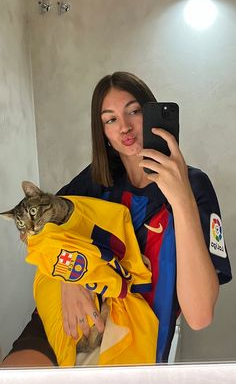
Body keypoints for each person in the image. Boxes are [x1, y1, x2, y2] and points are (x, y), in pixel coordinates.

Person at [1, 71, 232, 367]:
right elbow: (45, 227)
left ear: (150, 113)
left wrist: (182, 199)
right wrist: (68, 278)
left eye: (134, 111)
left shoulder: (196, 185)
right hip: (64, 316)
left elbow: (200, 316)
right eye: (110, 119)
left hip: (133, 340)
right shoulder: (96, 180)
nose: (124, 126)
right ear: (104, 135)